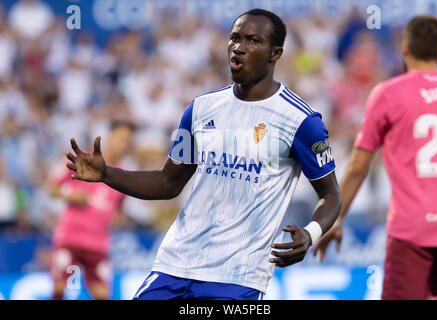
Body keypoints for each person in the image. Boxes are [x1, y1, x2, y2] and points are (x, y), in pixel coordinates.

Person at [66, 9, 341, 300]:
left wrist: (310, 234)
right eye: (235, 38)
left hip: (238, 277)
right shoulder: (200, 109)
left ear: (275, 53)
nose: (239, 47)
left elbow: (331, 194)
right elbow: (168, 183)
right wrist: (107, 174)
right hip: (174, 264)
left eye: (252, 40)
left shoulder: (301, 121)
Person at [314, 15, 437, 300]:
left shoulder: (388, 94)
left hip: (411, 232)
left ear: (404, 48)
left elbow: (358, 168)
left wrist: (336, 220)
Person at [49, 120, 135, 300]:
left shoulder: (124, 175)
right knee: (59, 289)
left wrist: (117, 218)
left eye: (128, 141)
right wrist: (70, 195)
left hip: (98, 244)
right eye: (121, 139)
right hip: (70, 238)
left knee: (103, 295)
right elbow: (52, 188)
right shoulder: (82, 159)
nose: (124, 145)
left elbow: (118, 209)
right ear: (109, 137)